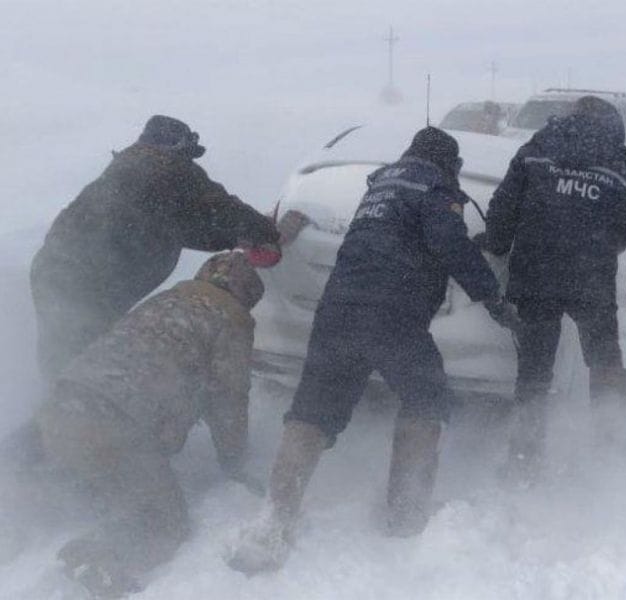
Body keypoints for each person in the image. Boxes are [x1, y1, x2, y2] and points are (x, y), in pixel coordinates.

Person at [228, 127, 515, 574]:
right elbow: (450, 245)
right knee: (426, 398)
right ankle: (405, 512)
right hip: (395, 314)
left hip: (337, 311)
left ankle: (273, 520)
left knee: (312, 411)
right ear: (449, 164)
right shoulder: (435, 190)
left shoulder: (379, 189)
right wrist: (493, 299)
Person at [36, 252, 265, 597]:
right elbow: (229, 400)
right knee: (165, 523)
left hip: (60, 406)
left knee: (97, 477)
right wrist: (235, 462)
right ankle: (98, 559)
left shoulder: (166, 299)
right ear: (246, 295)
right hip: (112, 425)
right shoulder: (231, 319)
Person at [30, 115, 280, 381]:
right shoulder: (169, 169)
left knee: (63, 360)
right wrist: (264, 231)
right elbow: (222, 210)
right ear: (177, 148)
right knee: (88, 369)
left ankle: (51, 411)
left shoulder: (132, 170)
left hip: (51, 270)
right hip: (86, 284)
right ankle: (73, 415)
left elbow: (184, 227)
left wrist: (239, 237)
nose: (191, 163)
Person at [479, 96, 626, 480]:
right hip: (591, 280)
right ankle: (609, 447)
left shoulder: (536, 151)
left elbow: (504, 208)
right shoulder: (621, 166)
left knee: (535, 370)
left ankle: (525, 457)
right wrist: (600, 245)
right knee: (604, 359)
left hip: (536, 275)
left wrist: (496, 243)